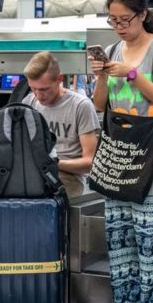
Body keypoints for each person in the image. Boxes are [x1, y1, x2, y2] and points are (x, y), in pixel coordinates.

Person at [88, 0, 153, 303]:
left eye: (125, 20)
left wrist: (131, 73)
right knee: (119, 231)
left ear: (142, 16)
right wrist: (100, 75)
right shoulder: (112, 49)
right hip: (118, 146)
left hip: (150, 146)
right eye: (113, 21)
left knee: (149, 230)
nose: (119, 27)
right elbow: (98, 104)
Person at [22, 51, 100, 197]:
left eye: (44, 89)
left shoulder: (80, 105)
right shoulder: (29, 102)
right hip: (33, 174)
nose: (38, 96)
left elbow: (91, 162)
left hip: (68, 177)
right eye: (33, 88)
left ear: (59, 79)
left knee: (46, 202)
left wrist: (52, 164)